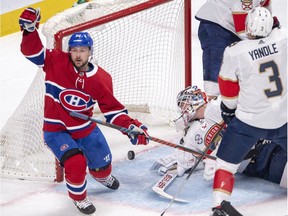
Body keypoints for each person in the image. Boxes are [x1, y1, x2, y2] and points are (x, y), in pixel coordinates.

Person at [19, 7, 149, 215]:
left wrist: (131, 126)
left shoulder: (101, 79)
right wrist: (29, 31)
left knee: (103, 162)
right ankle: (79, 198)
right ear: (69, 51)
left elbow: (113, 111)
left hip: (84, 128)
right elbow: (32, 52)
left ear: (90, 51)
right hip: (56, 130)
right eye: (74, 50)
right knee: (76, 162)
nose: (78, 55)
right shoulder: (55, 62)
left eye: (82, 50)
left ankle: (101, 175)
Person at [212, 6, 287, 215]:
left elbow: (228, 88)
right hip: (283, 119)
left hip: (248, 123)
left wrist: (228, 111)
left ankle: (220, 204)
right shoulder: (283, 38)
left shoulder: (235, 51)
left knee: (225, 164)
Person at [154, 86, 287, 186]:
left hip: (268, 147)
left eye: (183, 104)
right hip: (254, 164)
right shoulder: (193, 132)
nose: (182, 109)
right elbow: (190, 155)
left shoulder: (218, 105)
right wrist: (180, 160)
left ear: (194, 100)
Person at [194, 0, 278, 100]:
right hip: (216, 24)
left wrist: (268, 25)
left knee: (237, 72)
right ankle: (212, 109)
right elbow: (244, 33)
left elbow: (264, 7)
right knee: (216, 79)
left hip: (231, 24)